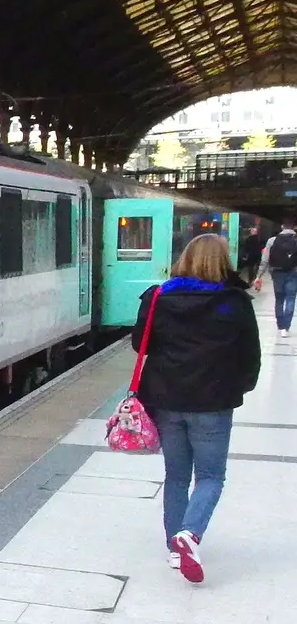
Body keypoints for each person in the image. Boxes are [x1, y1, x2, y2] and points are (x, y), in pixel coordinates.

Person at [132, 234, 260, 584]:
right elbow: (250, 355)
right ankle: (190, 533)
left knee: (176, 476)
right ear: (222, 261)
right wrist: (241, 386)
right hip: (214, 403)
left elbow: (138, 344)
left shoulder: (158, 297)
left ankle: (175, 549)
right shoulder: (234, 302)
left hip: (166, 400)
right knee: (211, 476)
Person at [253, 219, 297, 338]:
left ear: (282, 226)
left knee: (279, 299)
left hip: (277, 273)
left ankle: (280, 325)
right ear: (294, 228)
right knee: (291, 299)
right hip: (293, 273)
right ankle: (286, 327)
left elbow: (265, 260)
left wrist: (258, 276)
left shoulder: (272, 240)